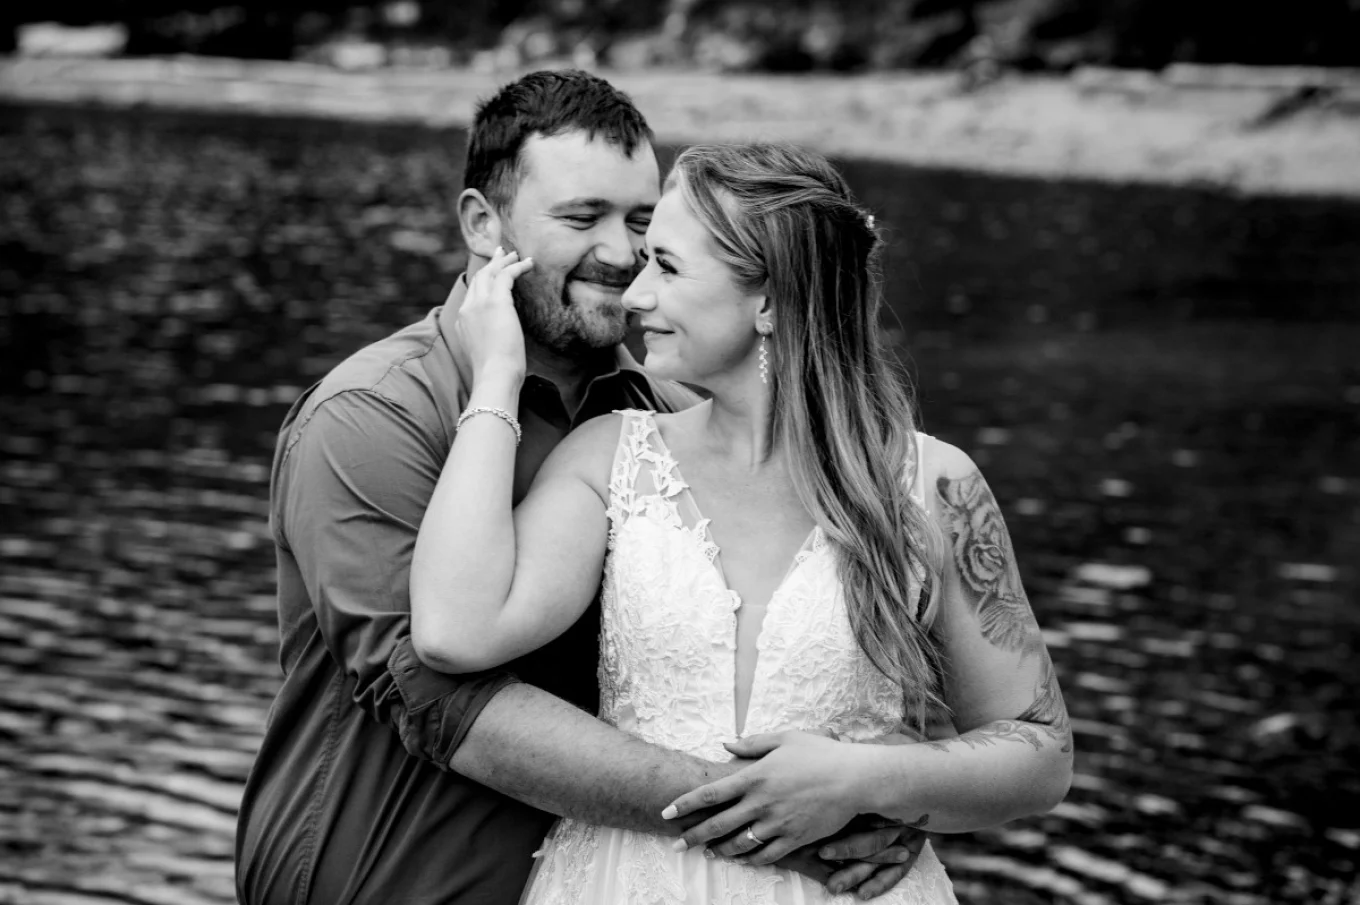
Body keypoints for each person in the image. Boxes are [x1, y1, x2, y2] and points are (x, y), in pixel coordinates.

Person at [235, 71, 922, 905]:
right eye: (580, 217)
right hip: (390, 883)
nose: (623, 253)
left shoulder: (667, 416)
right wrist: (762, 814)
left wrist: (879, 783)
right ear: (483, 226)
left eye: (641, 222)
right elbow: (439, 699)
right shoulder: (369, 418)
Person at [409, 142, 1076, 903]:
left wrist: (869, 777)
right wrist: (496, 375)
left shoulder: (933, 485)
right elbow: (452, 629)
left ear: (769, 301)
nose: (634, 295)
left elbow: (1039, 750)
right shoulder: (615, 460)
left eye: (667, 265)